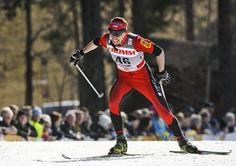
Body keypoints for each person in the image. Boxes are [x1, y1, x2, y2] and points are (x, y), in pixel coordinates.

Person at [70, 17, 199, 154]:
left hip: (143, 78)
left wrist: (161, 72)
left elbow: (159, 52)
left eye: (118, 33)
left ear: (125, 32)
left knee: (162, 110)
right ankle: (121, 142)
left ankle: (182, 141)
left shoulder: (136, 41)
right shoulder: (107, 39)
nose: (114, 37)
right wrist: (81, 53)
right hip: (124, 78)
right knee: (113, 102)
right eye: (112, 32)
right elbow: (96, 42)